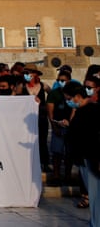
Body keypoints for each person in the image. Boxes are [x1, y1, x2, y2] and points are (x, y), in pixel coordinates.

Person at [65, 82, 100, 226]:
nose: (68, 102)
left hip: (91, 158)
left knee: (95, 195)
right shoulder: (82, 111)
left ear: (78, 97)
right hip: (85, 157)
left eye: (69, 98)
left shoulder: (91, 111)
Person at [20, 63, 50, 172]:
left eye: (28, 73)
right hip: (27, 118)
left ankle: (44, 163)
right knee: (28, 140)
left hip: (41, 116)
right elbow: (13, 98)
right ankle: (29, 164)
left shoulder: (43, 86)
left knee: (42, 140)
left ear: (35, 74)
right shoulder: (22, 86)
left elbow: (51, 97)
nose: (26, 75)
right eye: (25, 73)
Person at [46, 69, 73, 186]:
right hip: (57, 125)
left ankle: (68, 175)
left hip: (70, 127)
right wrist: (54, 126)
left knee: (69, 153)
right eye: (58, 80)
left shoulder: (74, 92)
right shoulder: (54, 93)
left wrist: (71, 123)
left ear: (69, 81)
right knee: (57, 153)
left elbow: (75, 109)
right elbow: (50, 111)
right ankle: (56, 175)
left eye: (63, 80)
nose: (60, 82)